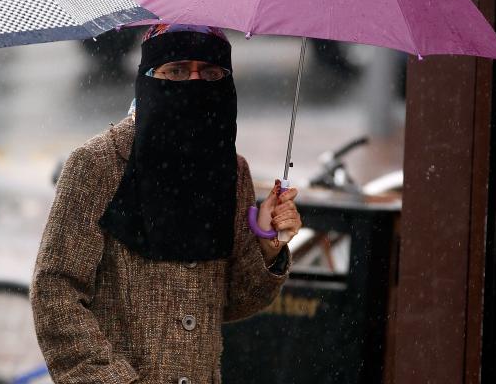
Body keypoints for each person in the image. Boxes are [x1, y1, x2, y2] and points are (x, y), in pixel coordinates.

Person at [32, 24, 302, 384]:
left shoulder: (232, 171)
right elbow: (55, 290)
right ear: (148, 77)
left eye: (210, 73)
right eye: (175, 71)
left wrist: (267, 249)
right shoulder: (98, 163)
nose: (194, 84)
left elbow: (234, 302)